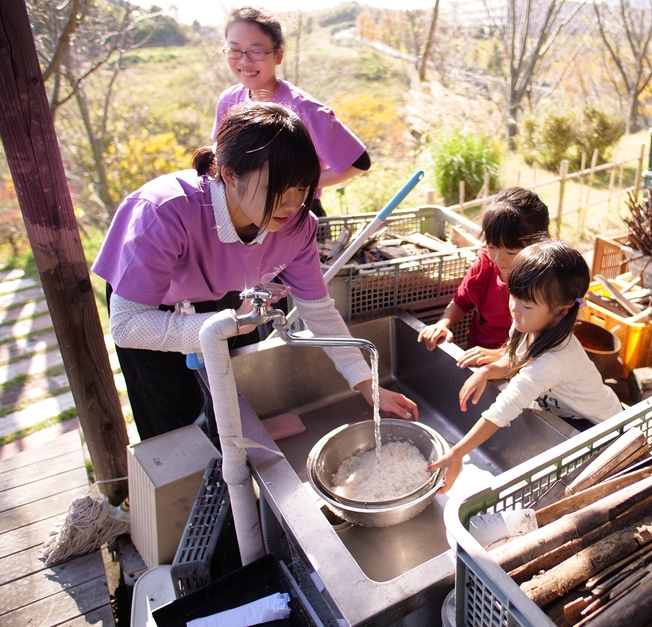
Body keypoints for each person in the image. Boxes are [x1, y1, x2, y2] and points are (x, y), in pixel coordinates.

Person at [93, 101, 417, 441]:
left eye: (302, 188)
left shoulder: (298, 225)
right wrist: (229, 324)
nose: (292, 204)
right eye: (277, 190)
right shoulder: (164, 212)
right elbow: (127, 326)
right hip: (151, 304)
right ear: (230, 175)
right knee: (172, 416)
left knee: (230, 401)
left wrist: (366, 383)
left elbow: (319, 311)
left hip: (221, 295)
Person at [429, 240, 623, 492]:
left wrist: (457, 452)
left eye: (527, 305)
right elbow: (517, 359)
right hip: (566, 417)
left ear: (562, 311)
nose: (514, 309)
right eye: (514, 296)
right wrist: (487, 371)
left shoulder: (555, 358)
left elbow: (503, 409)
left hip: (603, 429)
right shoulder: (528, 324)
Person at [214, 7, 369, 217]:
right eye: (235, 50)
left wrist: (294, 185)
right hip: (246, 214)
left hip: (295, 214)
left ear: (278, 55)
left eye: (256, 51)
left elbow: (358, 163)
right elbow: (219, 154)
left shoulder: (305, 110)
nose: (244, 61)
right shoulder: (229, 100)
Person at [417, 187, 550, 367]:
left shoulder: (543, 282)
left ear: (537, 244)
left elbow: (541, 339)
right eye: (492, 246)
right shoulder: (485, 266)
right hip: (475, 354)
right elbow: (461, 301)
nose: (499, 258)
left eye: (511, 252)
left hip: (517, 365)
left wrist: (501, 355)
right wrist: (443, 324)